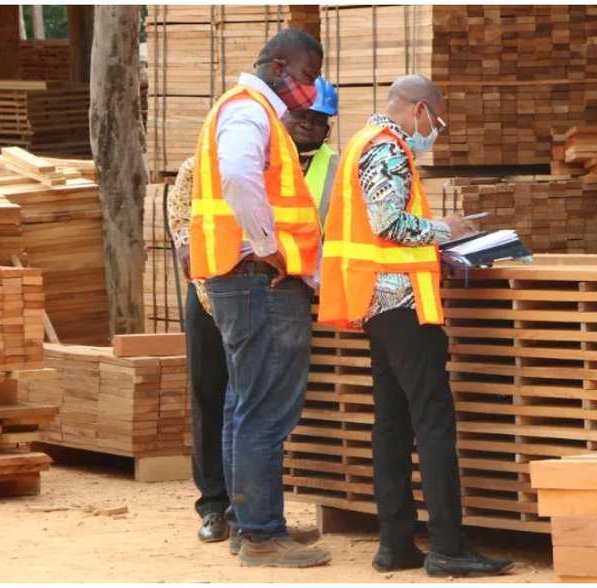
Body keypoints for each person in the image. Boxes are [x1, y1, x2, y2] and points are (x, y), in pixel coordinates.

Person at [318, 74, 515, 578]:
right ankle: (448, 545)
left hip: (376, 304)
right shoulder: (386, 148)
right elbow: (388, 224)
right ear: (419, 110)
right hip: (401, 304)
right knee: (432, 421)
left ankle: (397, 543)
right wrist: (447, 230)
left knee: (392, 423)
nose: (435, 132)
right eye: (437, 122)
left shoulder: (361, 143)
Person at [189, 28, 329, 568]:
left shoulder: (248, 110)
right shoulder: (249, 111)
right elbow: (239, 176)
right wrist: (268, 247)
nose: (310, 91)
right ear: (278, 65)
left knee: (242, 404)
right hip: (257, 280)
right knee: (266, 408)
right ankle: (263, 535)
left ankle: (248, 522)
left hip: (240, 278)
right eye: (307, 76)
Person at [167, 157, 231, 545]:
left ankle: (251, 508)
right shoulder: (197, 166)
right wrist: (191, 251)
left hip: (266, 292)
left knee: (251, 404)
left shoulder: (280, 160)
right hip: (209, 291)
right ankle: (213, 504)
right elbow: (180, 218)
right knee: (208, 395)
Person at [285, 76, 339, 226]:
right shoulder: (259, 158)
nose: (307, 125)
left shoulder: (339, 170)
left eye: (317, 120)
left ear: (327, 129)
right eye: (301, 115)